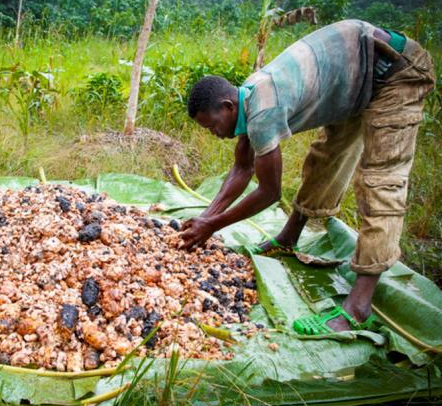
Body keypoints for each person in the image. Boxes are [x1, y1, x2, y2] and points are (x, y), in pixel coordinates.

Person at [180, 20, 435, 334]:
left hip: (395, 73)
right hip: (356, 82)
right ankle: (287, 239)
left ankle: (357, 307)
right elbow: (241, 169)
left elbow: (269, 192)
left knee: (381, 182)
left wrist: (214, 225)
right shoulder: (248, 94)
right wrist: (204, 218)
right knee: (324, 161)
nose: (216, 135)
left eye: (212, 126)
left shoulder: (261, 111)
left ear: (228, 106)